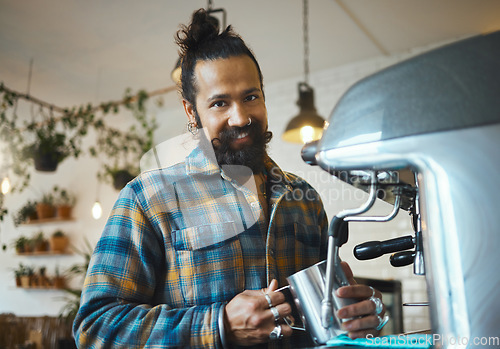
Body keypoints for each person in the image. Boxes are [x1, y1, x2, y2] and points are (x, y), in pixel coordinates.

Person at [73, 8, 387, 348]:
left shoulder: (304, 199)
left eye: (250, 97)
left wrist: (359, 316)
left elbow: (325, 323)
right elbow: (95, 327)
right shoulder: (147, 198)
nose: (240, 117)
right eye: (220, 103)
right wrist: (219, 325)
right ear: (191, 112)